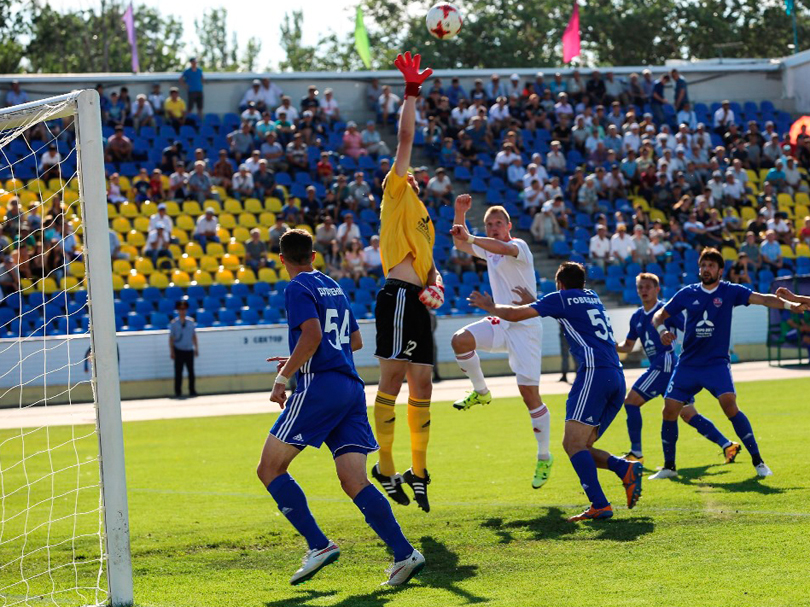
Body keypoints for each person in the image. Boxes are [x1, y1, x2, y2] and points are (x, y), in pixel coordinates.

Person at [257, 229, 424, 586]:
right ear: (314, 256)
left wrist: (284, 376)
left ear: (282, 259)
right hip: (349, 388)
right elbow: (356, 339)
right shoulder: (332, 285)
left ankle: (318, 544)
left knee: (269, 468)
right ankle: (404, 553)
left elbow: (314, 336)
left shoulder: (296, 287)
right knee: (353, 480)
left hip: (320, 387)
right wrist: (301, 357)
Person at [469, 262, 643, 522]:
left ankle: (600, 504)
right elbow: (564, 309)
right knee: (581, 446)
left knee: (572, 444)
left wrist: (490, 307)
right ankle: (624, 469)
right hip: (616, 376)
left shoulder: (560, 298)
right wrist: (539, 302)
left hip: (594, 373)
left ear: (559, 283)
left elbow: (517, 315)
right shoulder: (591, 296)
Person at [650, 248, 801, 479]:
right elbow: (659, 315)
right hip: (688, 364)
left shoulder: (730, 291)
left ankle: (759, 462)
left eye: (711, 266)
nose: (706, 269)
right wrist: (661, 330)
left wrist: (791, 305)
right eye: (703, 265)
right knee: (669, 410)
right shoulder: (687, 293)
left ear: (720, 270)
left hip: (716, 364)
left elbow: (763, 299)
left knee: (729, 405)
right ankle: (669, 467)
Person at [371, 52, 442, 514]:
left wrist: (436, 281)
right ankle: (386, 465)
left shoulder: (426, 220)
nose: (413, 173)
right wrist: (411, 93)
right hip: (397, 297)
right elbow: (405, 138)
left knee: (424, 386)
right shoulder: (396, 193)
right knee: (393, 380)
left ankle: (417, 471)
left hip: (416, 300)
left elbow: (431, 266)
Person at [449, 198, 553, 489]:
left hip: (525, 326)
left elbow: (500, 247)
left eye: (497, 223)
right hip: (502, 320)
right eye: (489, 225)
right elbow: (461, 244)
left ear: (509, 226)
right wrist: (461, 214)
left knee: (529, 396)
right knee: (460, 340)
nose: (493, 228)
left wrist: (471, 236)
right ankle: (481, 392)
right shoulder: (489, 250)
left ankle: (544, 456)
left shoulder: (519, 246)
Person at [615, 273, 741, 465]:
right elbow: (628, 346)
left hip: (665, 363)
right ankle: (727, 445)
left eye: (648, 287)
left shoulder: (666, 311)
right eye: (640, 287)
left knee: (631, 402)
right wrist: (611, 345)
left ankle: (636, 453)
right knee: (688, 414)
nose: (644, 291)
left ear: (657, 289)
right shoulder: (637, 317)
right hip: (668, 369)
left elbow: (691, 328)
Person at [169, 300, 198, 398]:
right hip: (179, 350)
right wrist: (172, 351)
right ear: (178, 310)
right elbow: (171, 338)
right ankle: (178, 391)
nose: (182, 311)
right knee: (178, 372)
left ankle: (192, 390)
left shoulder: (191, 322)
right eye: (181, 309)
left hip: (189, 349)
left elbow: (194, 336)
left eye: (184, 309)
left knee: (191, 372)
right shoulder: (174, 323)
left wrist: (196, 348)